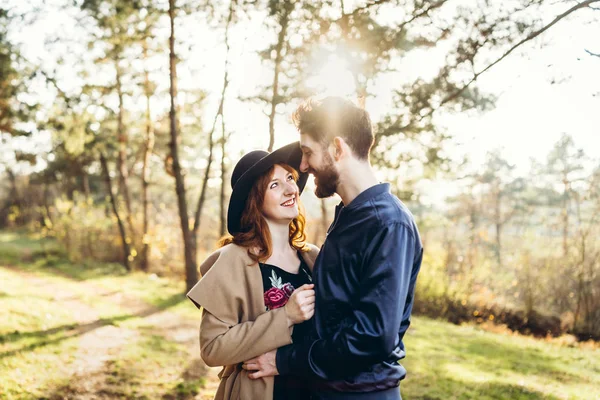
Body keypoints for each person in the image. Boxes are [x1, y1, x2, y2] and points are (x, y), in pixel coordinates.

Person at [242, 97, 424, 400]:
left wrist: (286, 361)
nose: (302, 166)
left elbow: (371, 337)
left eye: (307, 152)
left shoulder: (388, 224)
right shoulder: (351, 216)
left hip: (361, 394)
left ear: (337, 149)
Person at [186, 142, 320, 400]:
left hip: (313, 390)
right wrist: (286, 316)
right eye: (274, 184)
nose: (291, 188)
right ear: (255, 202)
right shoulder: (234, 260)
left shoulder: (313, 257)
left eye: (290, 178)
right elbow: (212, 348)